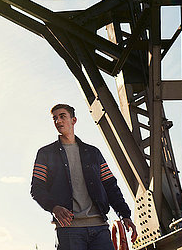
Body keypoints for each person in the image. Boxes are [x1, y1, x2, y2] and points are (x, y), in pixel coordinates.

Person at [31, 103, 138, 250]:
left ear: (74, 120)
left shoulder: (93, 153)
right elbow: (37, 189)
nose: (58, 121)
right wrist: (54, 207)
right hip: (69, 230)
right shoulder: (45, 154)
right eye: (55, 118)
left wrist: (124, 215)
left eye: (62, 116)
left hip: (99, 227)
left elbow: (110, 186)